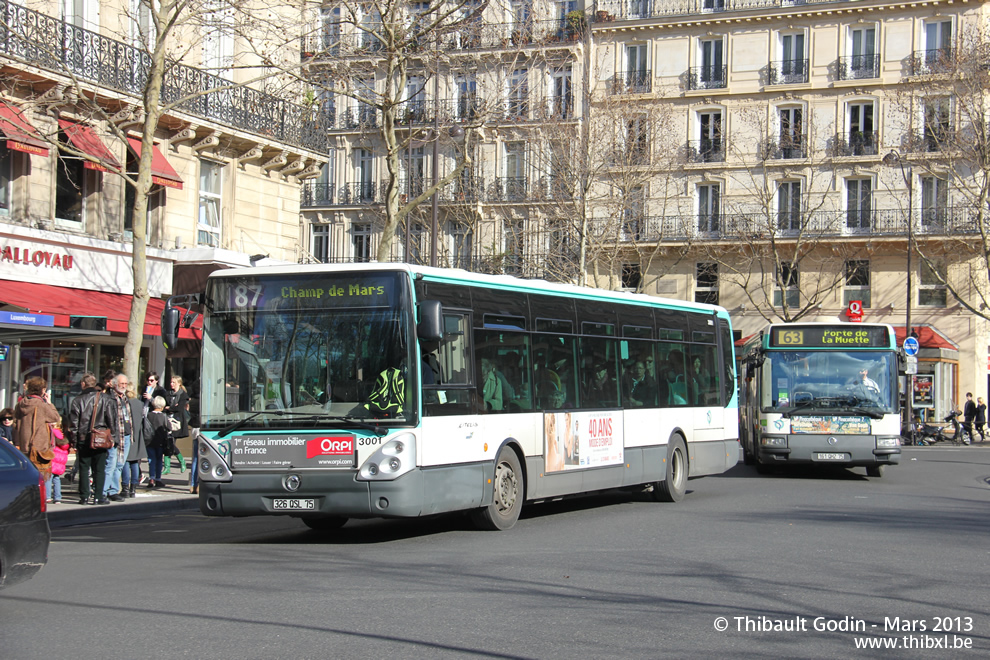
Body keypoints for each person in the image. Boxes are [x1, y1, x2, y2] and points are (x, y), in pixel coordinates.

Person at [13, 377, 65, 503]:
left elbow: (16, 423)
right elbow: (55, 417)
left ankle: (27, 498)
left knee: (28, 475)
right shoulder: (41, 405)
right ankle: (40, 498)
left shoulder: (20, 404)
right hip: (39, 446)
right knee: (41, 475)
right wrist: (49, 403)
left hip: (25, 446)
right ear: (42, 390)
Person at [68, 372, 117, 505]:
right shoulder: (105, 399)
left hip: (84, 437)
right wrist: (112, 437)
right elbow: (111, 420)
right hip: (100, 437)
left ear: (83, 384)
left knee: (84, 467)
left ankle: (84, 496)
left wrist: (74, 441)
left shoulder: (78, 400)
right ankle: (98, 496)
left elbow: (73, 424)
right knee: (99, 468)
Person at [103, 373, 134, 502]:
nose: (124, 386)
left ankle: (113, 490)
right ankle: (104, 491)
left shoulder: (125, 398)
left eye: (125, 384)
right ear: (115, 384)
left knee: (120, 464)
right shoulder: (109, 398)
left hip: (126, 435)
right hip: (115, 436)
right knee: (111, 464)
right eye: (121, 384)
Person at [122, 385, 150, 498]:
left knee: (125, 462)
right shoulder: (140, 404)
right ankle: (133, 488)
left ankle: (125, 487)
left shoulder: (124, 404)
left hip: (127, 435)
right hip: (138, 436)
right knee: (134, 462)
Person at [163, 375, 188, 475]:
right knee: (167, 442)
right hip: (167, 420)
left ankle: (182, 462)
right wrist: (171, 407)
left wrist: (170, 407)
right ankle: (167, 467)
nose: (171, 384)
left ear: (179, 383)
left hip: (177, 422)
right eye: (171, 382)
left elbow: (180, 408)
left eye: (174, 382)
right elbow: (164, 406)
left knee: (171, 443)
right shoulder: (168, 393)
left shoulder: (183, 395)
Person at [145, 396, 170, 488]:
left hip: (149, 441)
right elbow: (169, 427)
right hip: (160, 441)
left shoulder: (148, 415)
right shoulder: (163, 416)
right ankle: (158, 479)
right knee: (159, 460)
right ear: (162, 406)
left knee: (151, 460)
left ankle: (151, 478)